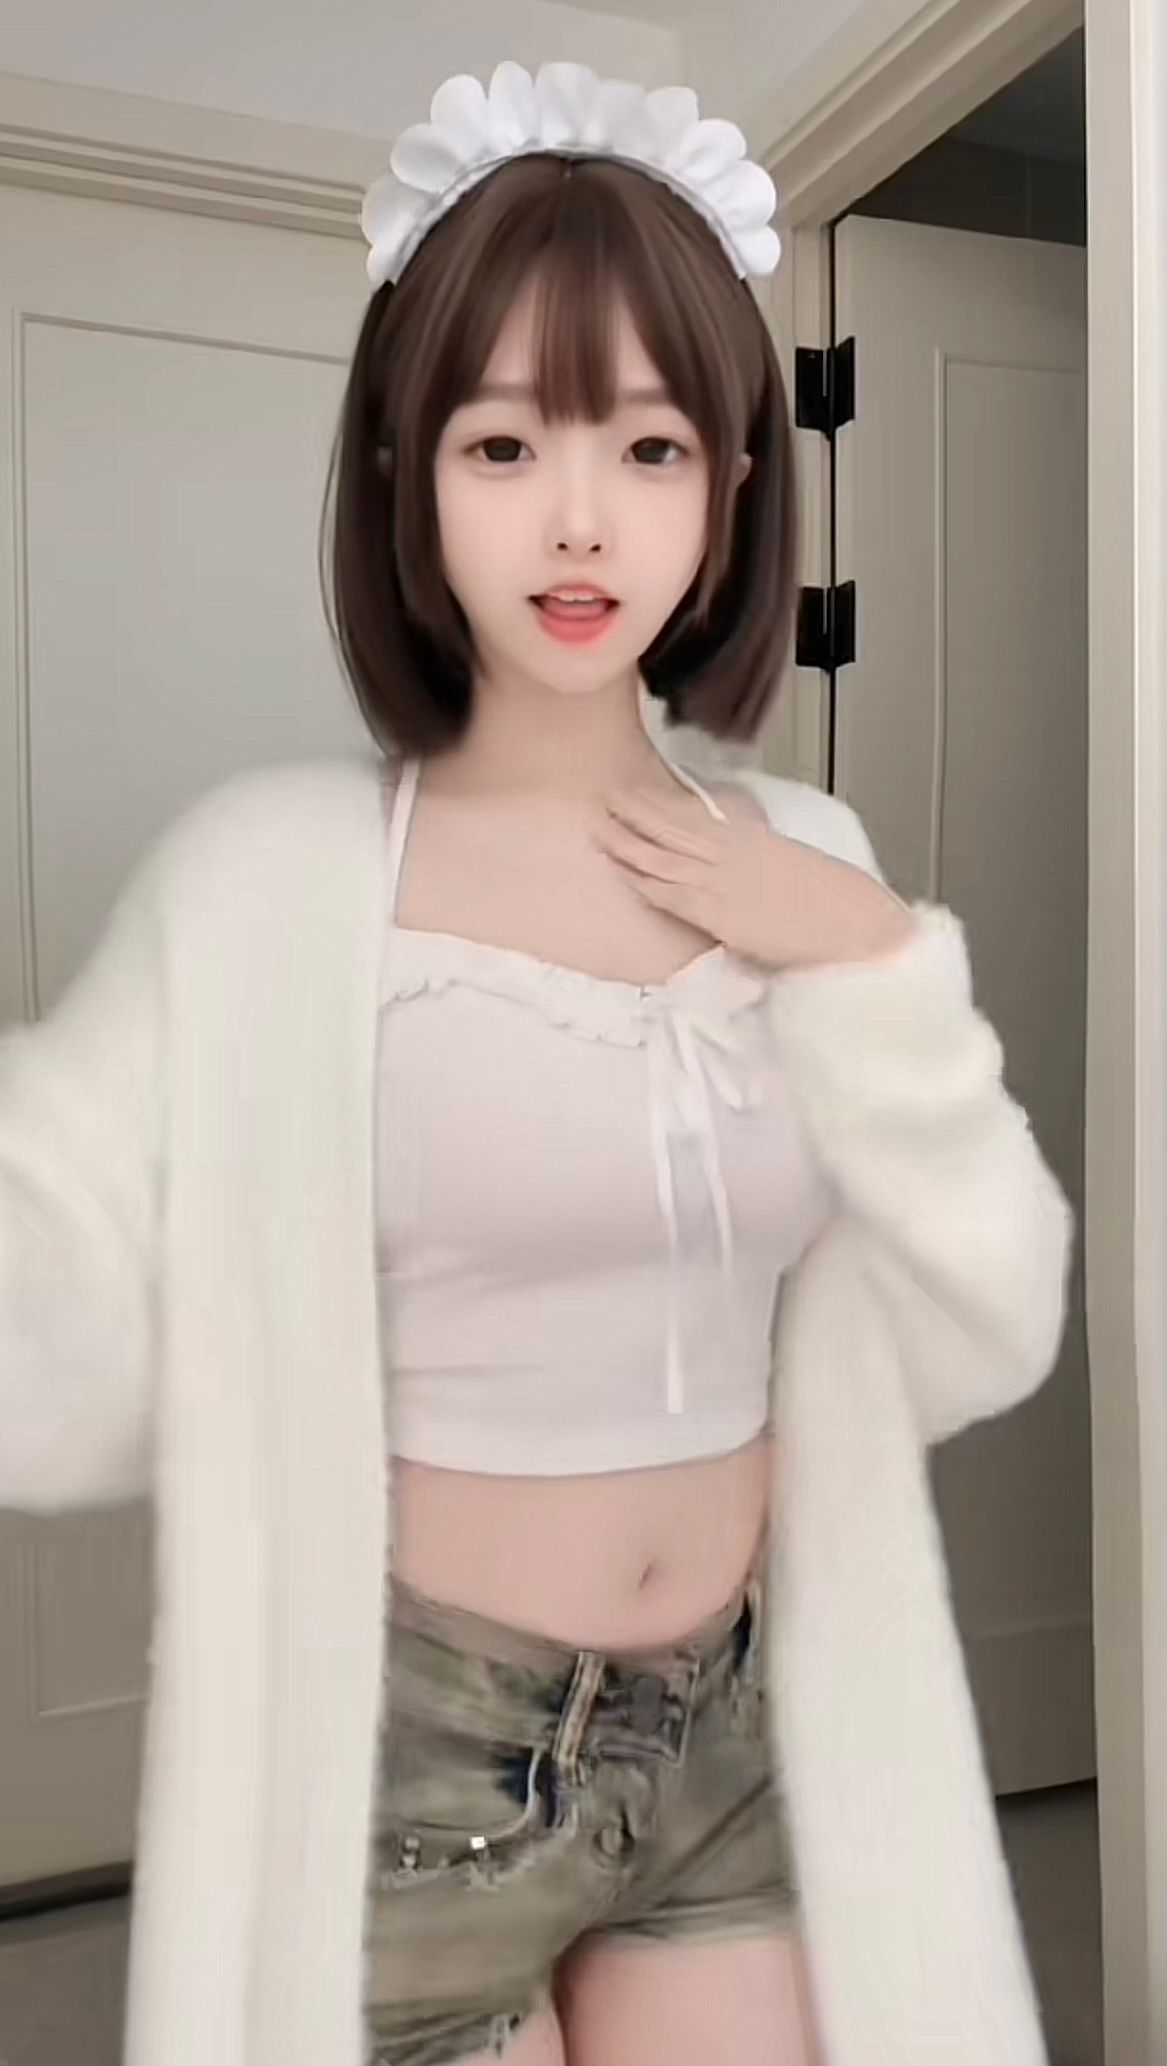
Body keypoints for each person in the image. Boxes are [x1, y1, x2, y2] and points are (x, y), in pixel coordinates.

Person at [0, 59, 1073, 2066]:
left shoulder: (807, 854)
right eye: (504, 443)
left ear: (732, 482)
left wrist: (869, 955)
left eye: (650, 446)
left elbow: (994, 1312)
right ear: (405, 469)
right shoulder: (272, 880)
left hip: (735, 1731)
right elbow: (38, 1306)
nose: (581, 519)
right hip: (413, 1759)